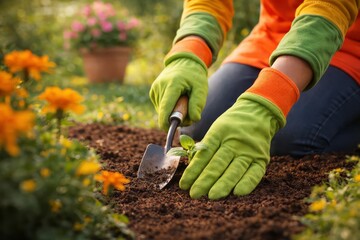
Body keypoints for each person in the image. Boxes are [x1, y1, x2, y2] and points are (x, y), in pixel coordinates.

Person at [149, 0, 360, 200]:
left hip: (343, 40)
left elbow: (333, 6)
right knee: (201, 123)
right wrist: (188, 53)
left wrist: (266, 103)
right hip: (272, 36)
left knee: (290, 138)